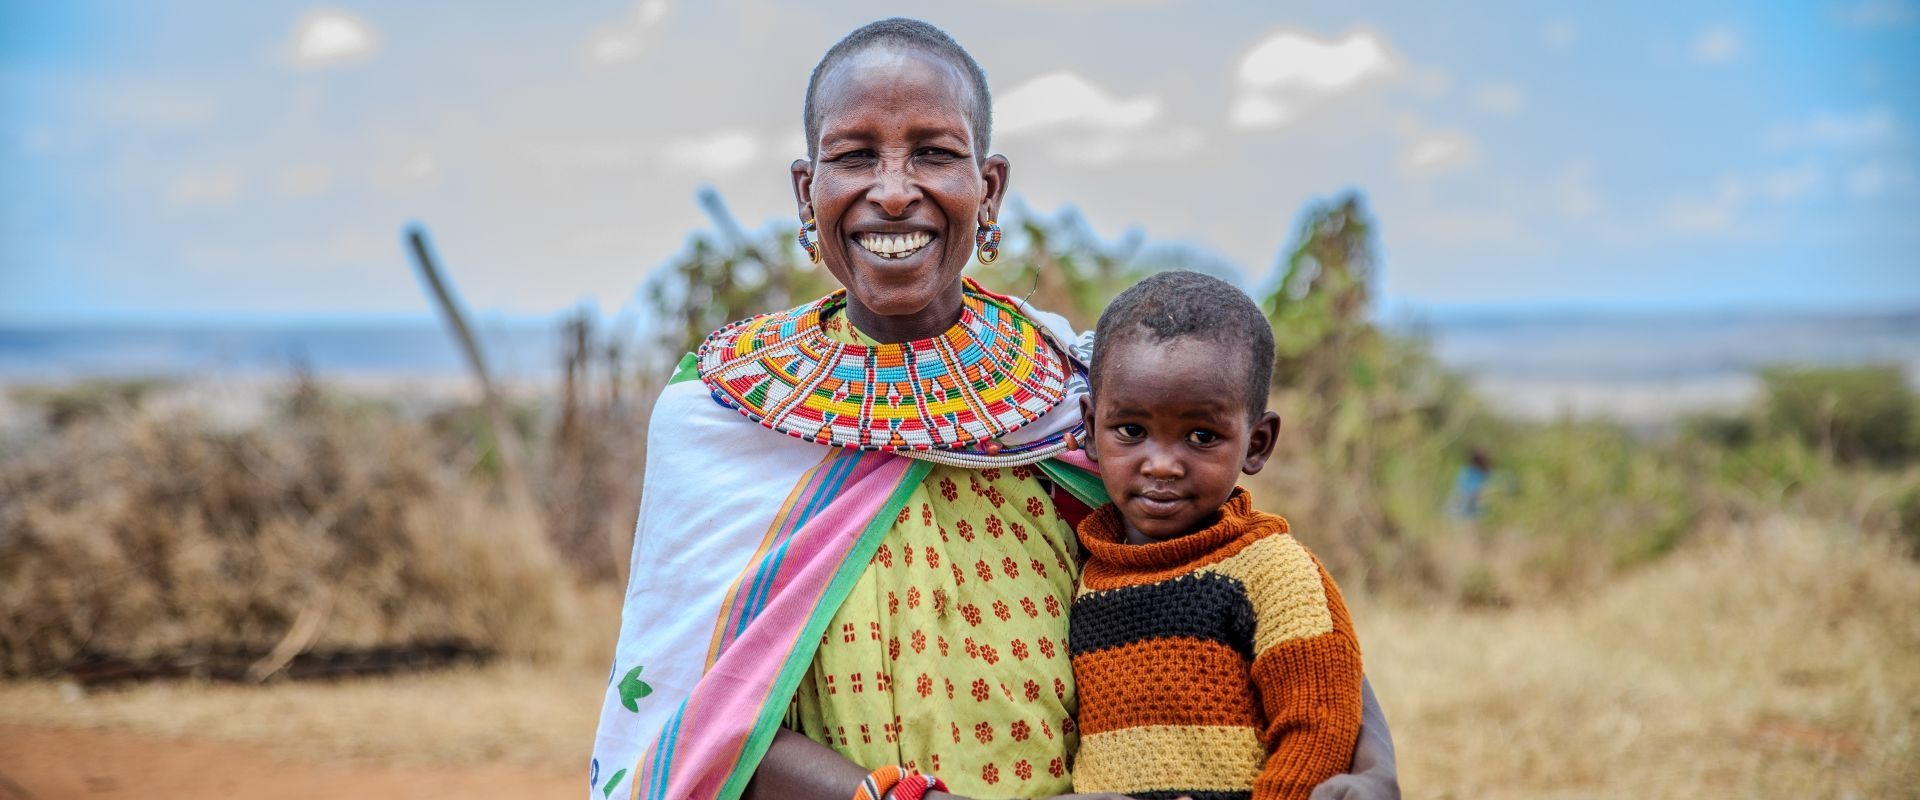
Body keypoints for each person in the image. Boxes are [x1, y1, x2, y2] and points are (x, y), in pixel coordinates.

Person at [587, 18, 1399, 800]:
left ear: (989, 185)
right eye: (855, 155)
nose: (895, 191)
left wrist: (1373, 764)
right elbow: (695, 720)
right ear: (809, 189)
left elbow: (1261, 588)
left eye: (936, 153)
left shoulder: (1076, 394)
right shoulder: (727, 416)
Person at [1070, 271, 1363, 800]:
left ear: (1257, 443)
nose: (1161, 465)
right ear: (1090, 430)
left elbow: (1320, 727)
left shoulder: (1272, 571)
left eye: (1202, 437)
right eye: (1131, 431)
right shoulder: (1085, 570)